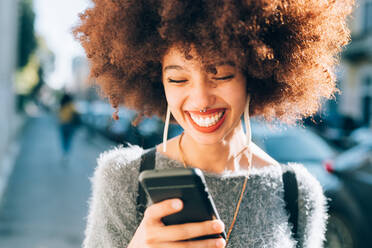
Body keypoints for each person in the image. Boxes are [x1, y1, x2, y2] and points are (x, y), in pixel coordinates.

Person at [74, 0, 353, 247]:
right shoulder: (124, 179)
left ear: (253, 74)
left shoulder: (297, 191)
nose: (201, 99)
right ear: (158, 82)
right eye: (178, 79)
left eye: (220, 75)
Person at [58, 92, 80, 159]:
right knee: (69, 139)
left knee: (63, 139)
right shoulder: (71, 105)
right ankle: (66, 152)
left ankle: (64, 151)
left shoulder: (62, 105)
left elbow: (59, 115)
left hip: (62, 124)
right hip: (70, 125)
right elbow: (77, 112)